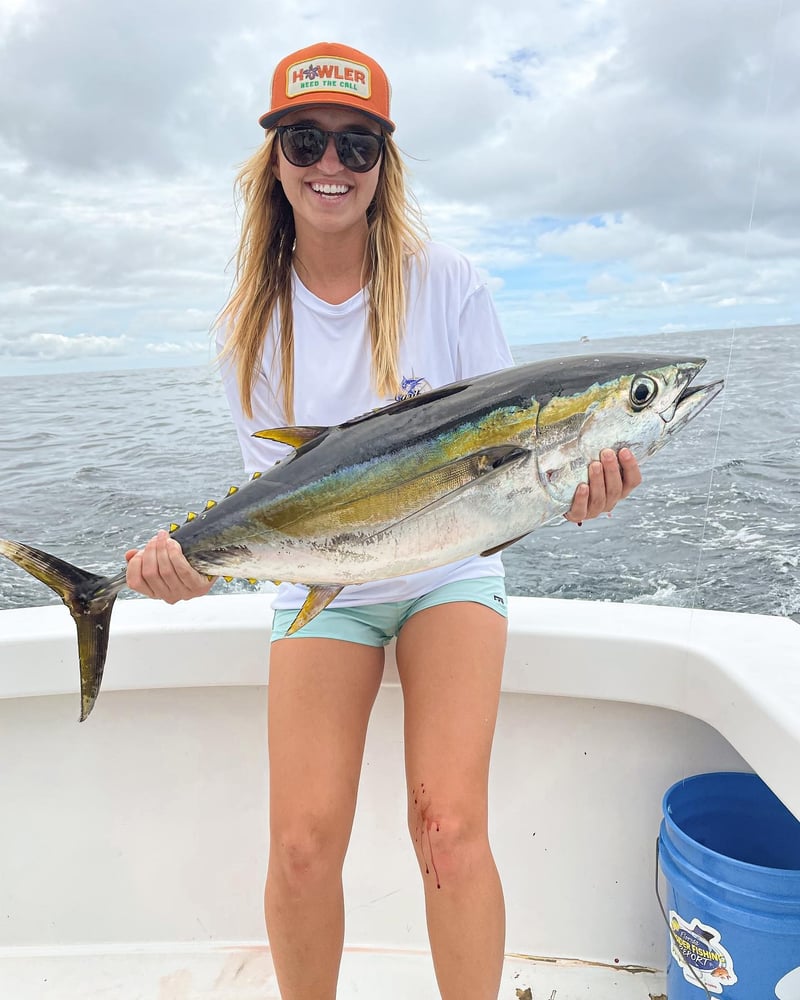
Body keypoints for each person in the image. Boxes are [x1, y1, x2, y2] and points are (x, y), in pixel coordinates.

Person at [125, 41, 642, 1000]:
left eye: (356, 146)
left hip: (449, 575)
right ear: (275, 157)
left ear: (382, 163)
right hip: (329, 579)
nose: (331, 164)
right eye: (308, 139)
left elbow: (508, 484)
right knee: (301, 845)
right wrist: (193, 566)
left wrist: (576, 495)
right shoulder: (257, 321)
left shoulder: (450, 283)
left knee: (446, 824)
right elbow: (289, 510)